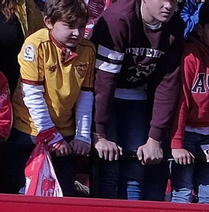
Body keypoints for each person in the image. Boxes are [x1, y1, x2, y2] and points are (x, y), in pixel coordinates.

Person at [89, 0, 187, 201]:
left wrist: (154, 138)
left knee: (136, 167)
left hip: (138, 96)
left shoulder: (175, 25)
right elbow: (104, 82)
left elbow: (168, 84)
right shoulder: (118, 19)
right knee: (109, 167)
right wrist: (99, 132)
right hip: (107, 95)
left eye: (174, 1)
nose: (168, 6)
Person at [8, 0, 93, 196]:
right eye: (69, 26)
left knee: (63, 193)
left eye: (81, 27)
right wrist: (51, 136)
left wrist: (82, 135)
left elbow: (86, 96)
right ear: (48, 22)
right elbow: (32, 96)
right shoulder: (35, 45)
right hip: (30, 130)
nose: (76, 33)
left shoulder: (87, 49)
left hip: (66, 133)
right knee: (27, 192)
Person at [166, 1, 209, 204]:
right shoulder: (190, 55)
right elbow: (181, 101)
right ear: (200, 28)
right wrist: (177, 143)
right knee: (183, 192)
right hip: (185, 133)